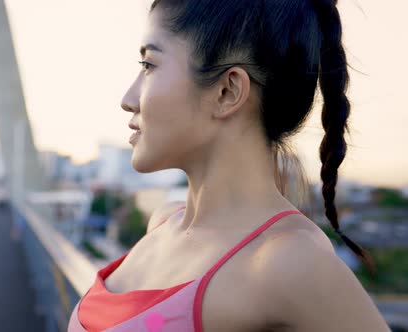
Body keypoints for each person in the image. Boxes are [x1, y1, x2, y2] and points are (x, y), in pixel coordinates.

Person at [68, 0, 390, 331]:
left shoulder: (291, 262)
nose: (128, 98)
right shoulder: (163, 222)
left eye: (148, 65)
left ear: (227, 91)